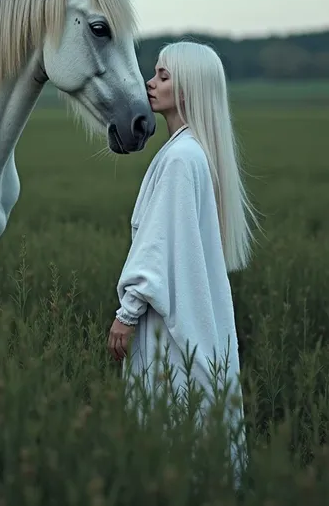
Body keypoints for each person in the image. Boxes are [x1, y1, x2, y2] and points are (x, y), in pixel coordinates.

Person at [107, 41, 258, 469]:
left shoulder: (179, 159)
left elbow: (157, 245)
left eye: (163, 76)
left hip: (168, 324)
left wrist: (127, 312)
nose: (150, 83)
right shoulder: (193, 152)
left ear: (188, 87)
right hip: (189, 312)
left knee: (169, 423)